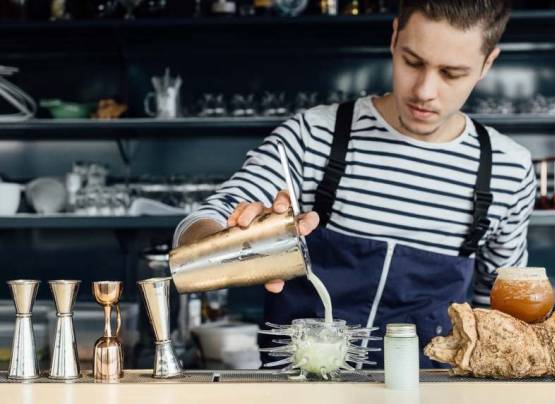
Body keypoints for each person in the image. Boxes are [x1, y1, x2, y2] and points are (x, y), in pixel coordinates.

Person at [173, 0, 534, 368]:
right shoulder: (314, 136)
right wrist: (233, 237)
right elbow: (202, 224)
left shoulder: (507, 170)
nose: (425, 90)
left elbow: (503, 316)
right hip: (301, 394)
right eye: (412, 62)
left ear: (487, 64)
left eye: (452, 73)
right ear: (394, 38)